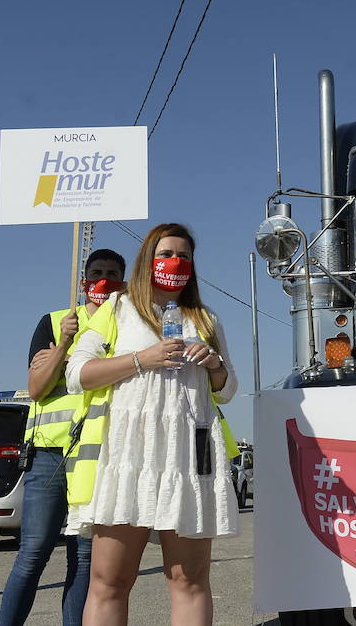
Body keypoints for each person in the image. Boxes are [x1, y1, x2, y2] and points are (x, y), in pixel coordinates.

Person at [65, 224, 238, 626]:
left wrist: (214, 363)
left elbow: (227, 390)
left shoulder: (206, 318)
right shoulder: (117, 308)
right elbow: (78, 375)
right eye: (165, 254)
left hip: (191, 455)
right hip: (128, 454)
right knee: (110, 580)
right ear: (147, 260)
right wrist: (143, 359)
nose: (175, 262)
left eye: (184, 256)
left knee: (189, 578)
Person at [0, 248, 126, 626]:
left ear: (124, 281)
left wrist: (73, 366)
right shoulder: (54, 322)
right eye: (97, 272)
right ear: (84, 280)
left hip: (96, 455)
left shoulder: (125, 325)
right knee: (33, 553)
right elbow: (37, 388)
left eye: (113, 274)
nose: (103, 280)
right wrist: (66, 346)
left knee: (84, 558)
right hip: (49, 455)